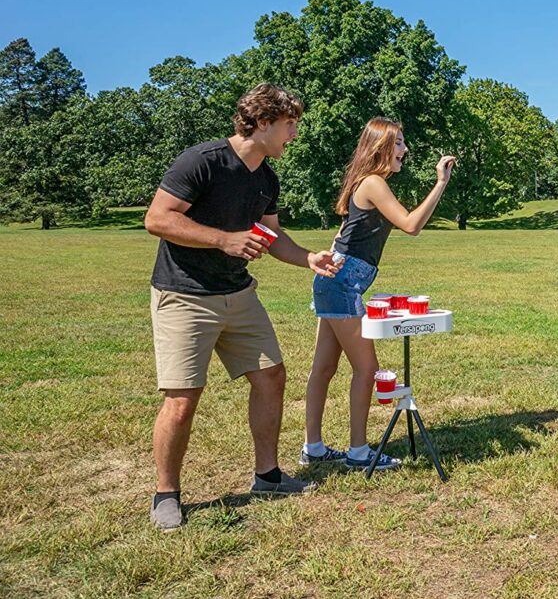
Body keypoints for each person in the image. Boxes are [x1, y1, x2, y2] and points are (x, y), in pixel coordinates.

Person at [144, 83, 342, 531]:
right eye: (290, 125)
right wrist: (224, 239)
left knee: (271, 375)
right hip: (185, 294)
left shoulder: (266, 177)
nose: (294, 134)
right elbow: (157, 219)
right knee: (182, 399)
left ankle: (267, 476)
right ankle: (166, 494)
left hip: (238, 294)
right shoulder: (203, 161)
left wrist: (308, 258)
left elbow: (271, 237)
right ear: (264, 121)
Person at [302, 118, 456, 470]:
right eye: (399, 142)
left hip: (335, 281)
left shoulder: (365, 182)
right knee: (366, 367)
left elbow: (343, 234)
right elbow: (411, 225)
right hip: (342, 284)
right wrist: (440, 183)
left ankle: (314, 447)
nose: (405, 149)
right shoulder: (373, 182)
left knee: (323, 368)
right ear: (380, 146)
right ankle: (358, 451)